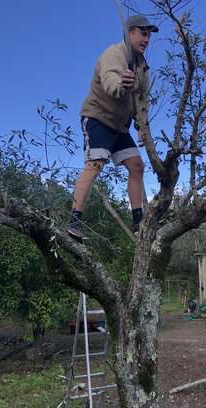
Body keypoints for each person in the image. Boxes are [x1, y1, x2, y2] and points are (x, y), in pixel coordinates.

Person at [67, 15, 159, 241]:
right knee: (95, 164)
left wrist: (140, 124)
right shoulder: (114, 54)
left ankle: (138, 222)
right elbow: (110, 82)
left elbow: (140, 99)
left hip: (120, 127)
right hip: (98, 118)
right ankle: (75, 221)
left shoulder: (142, 66)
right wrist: (122, 85)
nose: (146, 39)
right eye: (142, 33)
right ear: (130, 33)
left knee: (137, 166)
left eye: (149, 34)